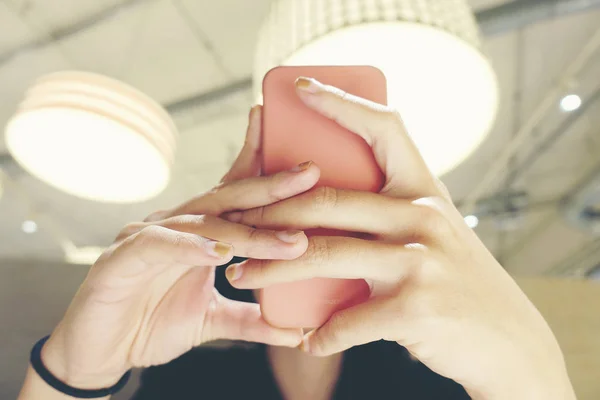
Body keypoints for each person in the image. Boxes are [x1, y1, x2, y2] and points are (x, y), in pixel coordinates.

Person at [18, 77, 576, 400]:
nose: (310, 238)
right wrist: (76, 373)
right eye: (284, 210)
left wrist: (529, 375)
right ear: (250, 229)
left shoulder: (430, 385)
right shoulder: (188, 378)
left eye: (339, 216)